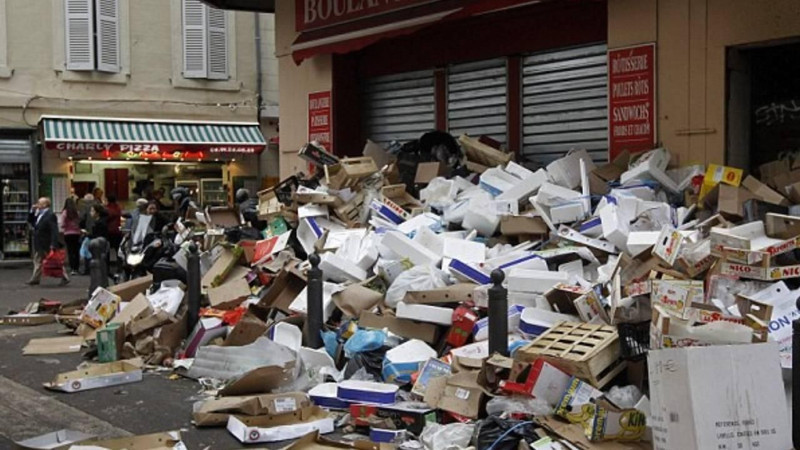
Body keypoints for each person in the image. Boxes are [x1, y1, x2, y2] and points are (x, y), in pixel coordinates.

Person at [27, 197, 69, 286]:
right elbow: (32, 222)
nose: (37, 204)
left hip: (47, 242)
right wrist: (32, 211)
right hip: (40, 241)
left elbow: (54, 230)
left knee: (54, 261)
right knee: (38, 260)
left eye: (39, 203)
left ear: (45, 205)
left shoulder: (50, 215)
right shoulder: (39, 214)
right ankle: (35, 278)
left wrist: (53, 243)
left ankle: (65, 277)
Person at [60, 197, 81, 275]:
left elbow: (62, 224)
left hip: (68, 233)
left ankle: (72, 268)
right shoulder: (77, 212)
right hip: (77, 233)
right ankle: (77, 268)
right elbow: (80, 222)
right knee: (76, 251)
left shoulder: (65, 212)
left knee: (70, 251)